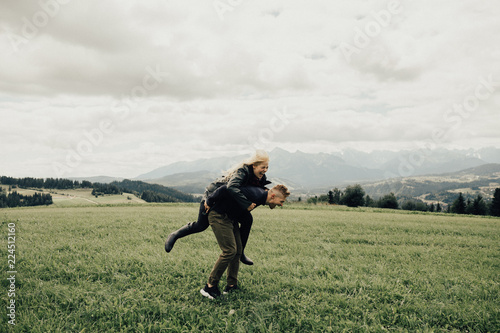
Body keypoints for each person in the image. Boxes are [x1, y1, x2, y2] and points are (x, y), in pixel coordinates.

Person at [165, 150, 271, 265]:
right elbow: (230, 187)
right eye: (263, 167)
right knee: (201, 225)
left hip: (225, 202)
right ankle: (174, 235)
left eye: (267, 167)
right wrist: (246, 204)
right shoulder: (242, 172)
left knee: (247, 220)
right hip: (211, 197)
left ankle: (241, 253)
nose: (265, 170)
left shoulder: (259, 177)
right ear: (254, 166)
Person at [200, 184, 290, 299]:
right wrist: (210, 200)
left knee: (237, 250)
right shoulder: (255, 195)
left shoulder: (261, 196)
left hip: (230, 218)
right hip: (219, 215)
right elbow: (226, 188)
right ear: (272, 196)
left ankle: (231, 285)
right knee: (229, 251)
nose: (281, 204)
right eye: (281, 201)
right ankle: (209, 287)